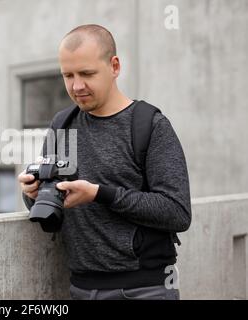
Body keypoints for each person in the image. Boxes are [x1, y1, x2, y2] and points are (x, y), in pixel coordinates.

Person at [18, 24, 191, 300]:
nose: (77, 86)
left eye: (87, 74)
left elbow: (177, 212)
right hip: (80, 287)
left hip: (144, 288)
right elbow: (53, 207)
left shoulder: (150, 125)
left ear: (114, 66)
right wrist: (34, 194)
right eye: (68, 75)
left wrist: (100, 194)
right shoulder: (61, 125)